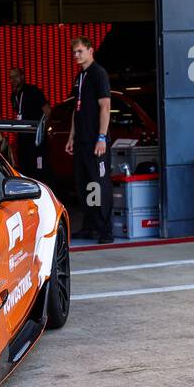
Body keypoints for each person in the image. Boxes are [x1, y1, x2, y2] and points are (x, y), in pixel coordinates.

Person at [65, 37, 113, 243]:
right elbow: (77, 110)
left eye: (80, 51)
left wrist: (101, 137)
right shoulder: (80, 77)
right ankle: (89, 225)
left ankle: (105, 231)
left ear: (90, 51)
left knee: (98, 184)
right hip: (82, 141)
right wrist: (71, 137)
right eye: (74, 52)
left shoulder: (98, 74)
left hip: (96, 143)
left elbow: (105, 107)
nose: (76, 55)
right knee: (84, 185)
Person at [8, 66, 47, 180]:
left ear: (22, 76)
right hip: (22, 138)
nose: (13, 80)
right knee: (24, 168)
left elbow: (47, 110)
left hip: (35, 138)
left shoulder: (33, 91)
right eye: (11, 77)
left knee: (38, 170)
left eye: (16, 76)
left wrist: (42, 130)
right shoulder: (14, 96)